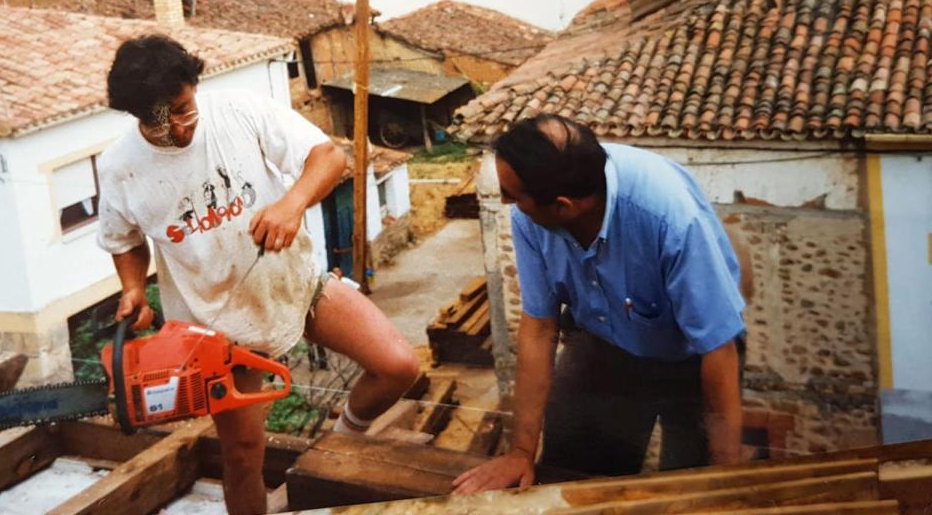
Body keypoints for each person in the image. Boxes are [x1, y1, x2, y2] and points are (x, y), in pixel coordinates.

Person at [97, 34, 418, 515]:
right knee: (243, 456)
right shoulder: (120, 166)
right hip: (219, 332)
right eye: (163, 122)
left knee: (398, 366)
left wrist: (292, 204)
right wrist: (134, 289)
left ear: (192, 88)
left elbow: (328, 158)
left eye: (185, 109)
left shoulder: (239, 110)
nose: (181, 129)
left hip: (295, 285)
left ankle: (338, 440)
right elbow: (124, 240)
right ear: (139, 115)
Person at [453, 114, 746, 494]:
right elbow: (539, 328)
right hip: (605, 340)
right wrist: (521, 450)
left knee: (693, 487)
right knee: (570, 475)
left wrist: (726, 477)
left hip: (697, 355)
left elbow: (718, 347)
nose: (505, 202)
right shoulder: (532, 216)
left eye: (512, 196)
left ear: (562, 206)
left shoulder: (669, 217)